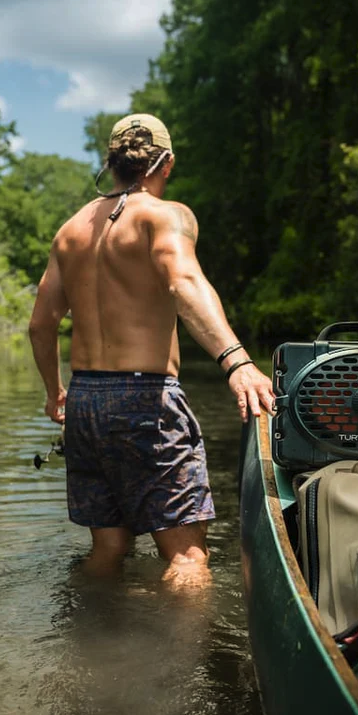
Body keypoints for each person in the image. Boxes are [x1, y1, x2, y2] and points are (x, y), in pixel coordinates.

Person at [28, 113, 275, 588]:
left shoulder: (70, 230)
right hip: (145, 398)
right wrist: (237, 360)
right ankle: (183, 665)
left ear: (112, 164)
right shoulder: (166, 216)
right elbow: (183, 284)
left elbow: (41, 326)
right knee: (186, 560)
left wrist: (54, 391)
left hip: (84, 401)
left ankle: (86, 645)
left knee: (108, 549)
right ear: (166, 163)